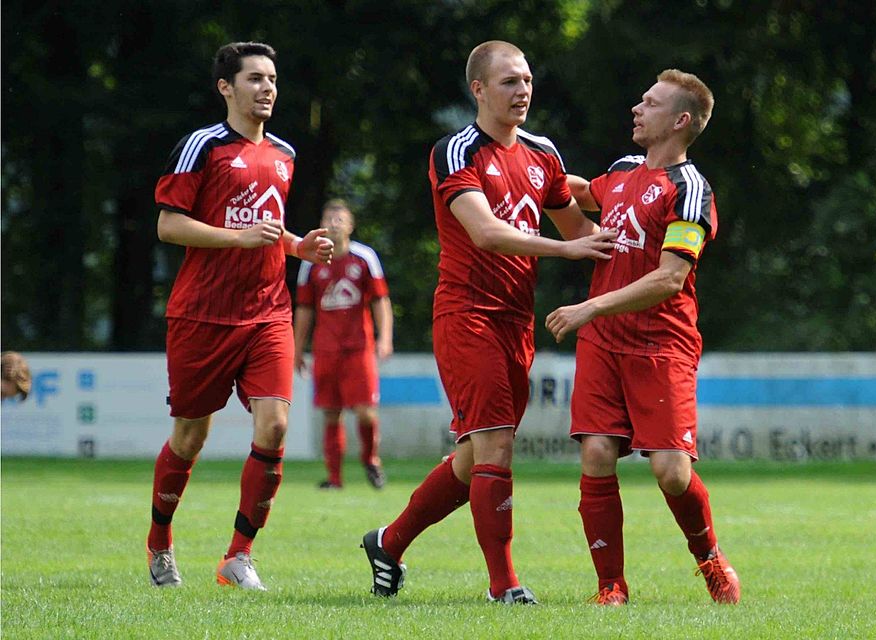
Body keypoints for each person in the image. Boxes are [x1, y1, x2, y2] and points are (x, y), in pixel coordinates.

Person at [361, 40, 617, 605]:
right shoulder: (455, 151)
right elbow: (486, 233)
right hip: (466, 314)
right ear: (478, 89)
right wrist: (569, 250)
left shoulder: (542, 153)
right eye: (509, 81)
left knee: (475, 456)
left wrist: (645, 225)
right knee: (496, 445)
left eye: (527, 80)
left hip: (515, 323)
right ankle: (504, 585)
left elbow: (581, 231)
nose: (522, 90)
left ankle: (389, 542)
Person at [545, 69, 740, 605]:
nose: (636, 108)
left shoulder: (690, 190)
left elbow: (670, 277)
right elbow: (584, 194)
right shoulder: (625, 170)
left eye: (649, 103)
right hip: (604, 343)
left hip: (662, 345)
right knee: (597, 454)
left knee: (671, 472)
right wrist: (535, 170)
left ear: (679, 121)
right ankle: (612, 587)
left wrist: (590, 306)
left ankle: (710, 560)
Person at [146, 41, 333, 591]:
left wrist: (298, 247)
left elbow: (267, 229)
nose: (267, 88)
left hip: (267, 313)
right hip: (202, 316)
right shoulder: (201, 146)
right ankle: (160, 542)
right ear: (226, 88)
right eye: (254, 79)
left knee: (274, 426)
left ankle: (238, 556)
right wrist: (240, 238)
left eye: (272, 79)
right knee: (189, 437)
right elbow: (169, 225)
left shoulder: (285, 154)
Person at [293, 199, 394, 490]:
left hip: (358, 347)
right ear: (321, 224)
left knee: (365, 410)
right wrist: (297, 349)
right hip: (325, 349)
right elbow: (304, 309)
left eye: (340, 219)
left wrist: (384, 338)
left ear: (350, 225)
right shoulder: (310, 261)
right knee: (330, 412)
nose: (334, 223)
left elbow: (380, 301)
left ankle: (370, 459)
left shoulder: (364, 257)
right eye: (329, 218)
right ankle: (334, 478)